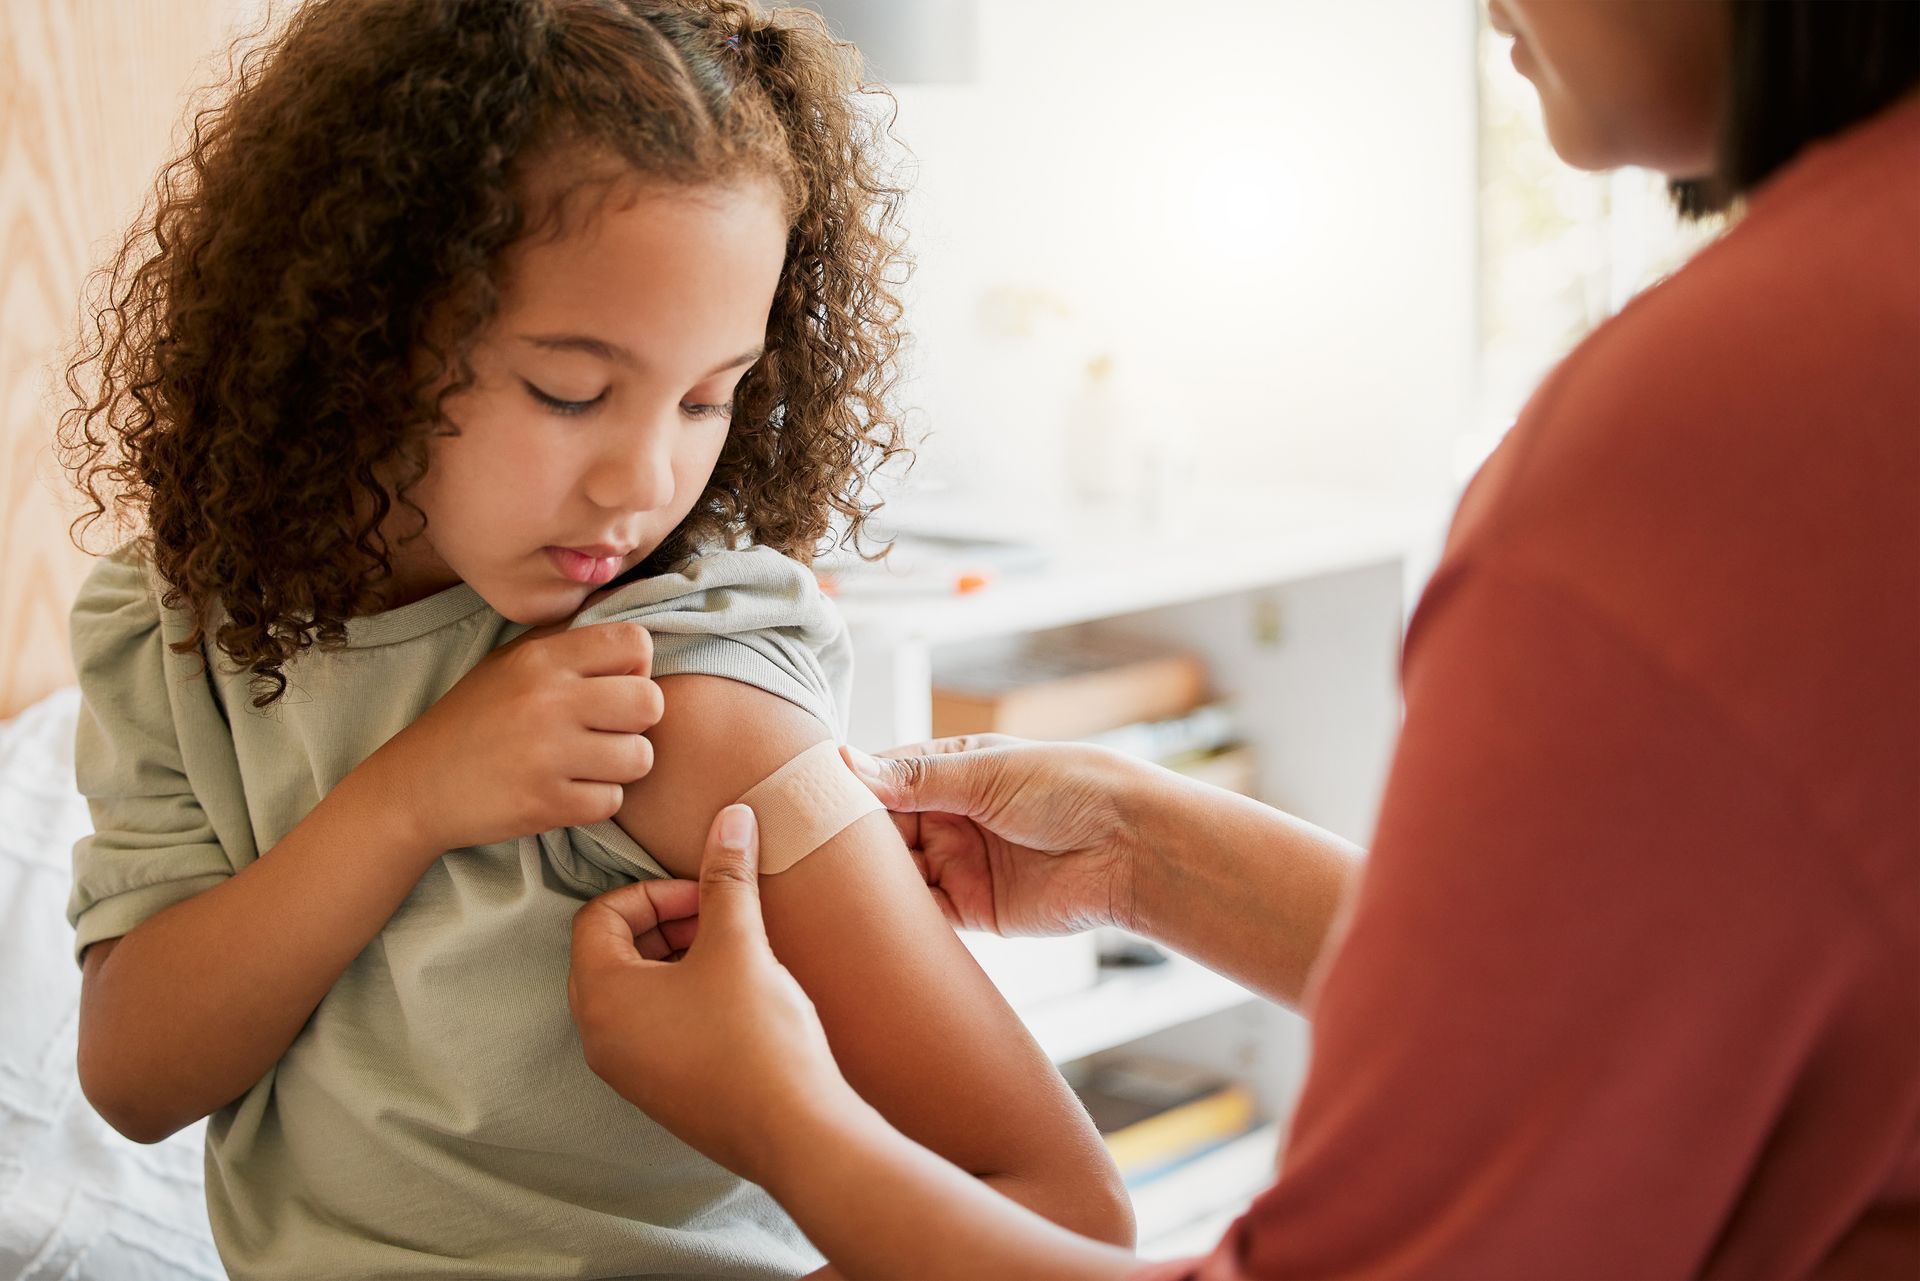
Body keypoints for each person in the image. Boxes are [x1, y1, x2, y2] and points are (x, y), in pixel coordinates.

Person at [566, 1, 1920, 1276]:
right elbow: (1642, 1016)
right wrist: (1142, 850)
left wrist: (791, 1122)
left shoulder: (1711, 446)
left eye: (708, 397)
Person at [58, 2, 1133, 1277]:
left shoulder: (679, 698)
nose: (642, 481)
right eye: (571, 392)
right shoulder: (179, 625)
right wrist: (407, 802)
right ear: (365, 331)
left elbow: (1063, 1212)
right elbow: (134, 1078)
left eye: (707, 398)